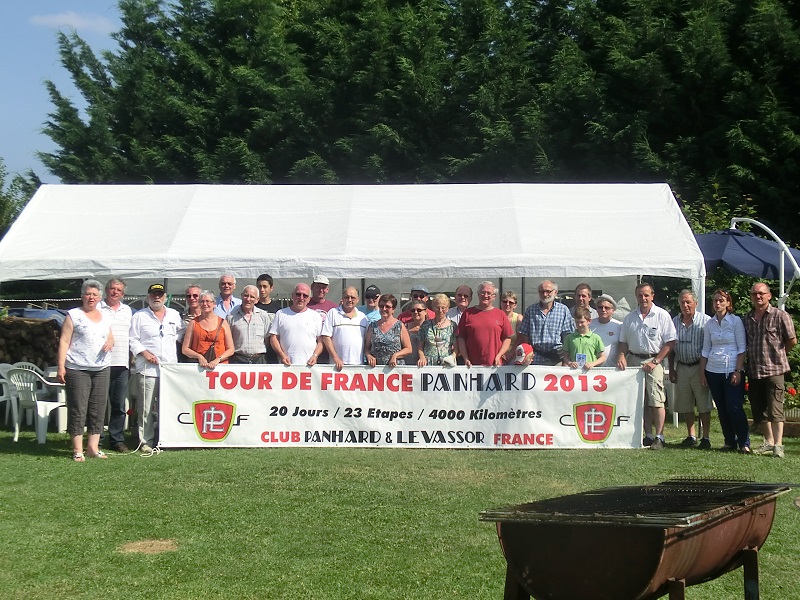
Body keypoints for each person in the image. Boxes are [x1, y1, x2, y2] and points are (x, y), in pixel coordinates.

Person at [57, 279, 114, 461]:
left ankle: (93, 448)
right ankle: (77, 449)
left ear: (100, 297)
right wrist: (61, 366)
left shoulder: (106, 315)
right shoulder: (73, 315)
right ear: (82, 296)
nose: (91, 297)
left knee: (98, 408)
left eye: (95, 294)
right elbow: (64, 340)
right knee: (78, 408)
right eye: (88, 294)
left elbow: (109, 335)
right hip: (77, 368)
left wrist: (111, 340)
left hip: (101, 368)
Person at [617, 282, 676, 450]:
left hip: (654, 360)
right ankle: (647, 435)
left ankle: (659, 436)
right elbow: (623, 342)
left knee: (656, 399)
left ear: (652, 296)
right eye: (640, 295)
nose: (643, 298)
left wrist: (656, 361)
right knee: (640, 400)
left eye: (646, 295)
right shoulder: (630, 317)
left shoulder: (662, 315)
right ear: (636, 297)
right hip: (634, 361)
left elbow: (670, 342)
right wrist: (621, 355)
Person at [129, 283, 185, 453]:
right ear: (148, 297)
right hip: (147, 369)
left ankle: (165, 439)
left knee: (166, 406)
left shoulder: (174, 314)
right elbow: (132, 339)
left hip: (169, 369)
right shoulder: (139, 316)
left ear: (165, 297)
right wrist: (144, 353)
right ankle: (145, 441)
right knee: (146, 408)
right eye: (153, 294)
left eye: (160, 294)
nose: (156, 297)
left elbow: (180, 333)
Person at [744, 282, 797, 458]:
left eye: (761, 293)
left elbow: (792, 340)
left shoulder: (780, 315)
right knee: (759, 410)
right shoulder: (747, 318)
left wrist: (780, 354)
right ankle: (769, 441)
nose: (758, 296)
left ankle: (778, 445)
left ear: (769, 295)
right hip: (755, 370)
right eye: (754, 294)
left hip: (775, 370)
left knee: (776, 409)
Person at [700, 289, 749, 453]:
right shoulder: (709, 324)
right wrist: (702, 373)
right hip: (713, 370)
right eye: (715, 300)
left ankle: (744, 442)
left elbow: (742, 348)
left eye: (721, 300)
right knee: (721, 408)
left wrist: (738, 371)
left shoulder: (736, 321)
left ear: (728, 303)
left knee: (734, 407)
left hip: (731, 369)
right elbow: (705, 350)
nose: (718, 303)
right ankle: (729, 441)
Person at [668, 290, 713, 449]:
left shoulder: (706, 321)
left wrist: (704, 371)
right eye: (682, 302)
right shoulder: (674, 321)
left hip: (699, 367)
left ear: (696, 303)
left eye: (688, 302)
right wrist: (671, 369)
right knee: (685, 404)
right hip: (681, 366)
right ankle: (691, 435)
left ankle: (706, 437)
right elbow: (670, 347)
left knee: (703, 404)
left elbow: (710, 346)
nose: (685, 305)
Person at [99, 277, 133, 452]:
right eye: (112, 288)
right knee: (98, 404)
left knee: (118, 405)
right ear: (106, 290)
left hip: (121, 363)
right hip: (100, 362)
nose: (115, 292)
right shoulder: (98, 307)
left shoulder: (128, 310)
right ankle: (97, 440)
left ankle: (117, 440)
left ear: (123, 294)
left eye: (119, 290)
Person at [517, 280, 575, 365]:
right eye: (542, 291)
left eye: (548, 291)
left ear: (555, 292)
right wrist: (528, 353)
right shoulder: (531, 310)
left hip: (557, 359)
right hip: (535, 358)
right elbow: (524, 334)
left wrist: (566, 360)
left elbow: (568, 336)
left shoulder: (563, 310)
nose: (544, 294)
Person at [457, 281, 513, 367]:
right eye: (483, 292)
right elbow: (461, 338)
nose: (485, 295)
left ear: (494, 297)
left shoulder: (501, 314)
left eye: (489, 293)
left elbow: (507, 338)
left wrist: (499, 355)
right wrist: (465, 358)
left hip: (495, 366)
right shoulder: (468, 313)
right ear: (478, 294)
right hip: (471, 366)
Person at [269, 283, 324, 366]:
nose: (301, 298)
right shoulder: (280, 314)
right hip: (286, 365)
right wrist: (282, 355)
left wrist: (315, 356)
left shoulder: (316, 316)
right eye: (298, 294)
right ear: (292, 296)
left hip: (309, 365)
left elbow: (321, 341)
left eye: (305, 296)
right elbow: (273, 338)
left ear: (309, 299)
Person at [182, 290, 236, 368]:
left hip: (220, 367)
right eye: (202, 301)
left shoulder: (223, 322)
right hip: (199, 366)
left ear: (214, 304)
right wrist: (199, 356)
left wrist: (218, 359)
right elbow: (185, 349)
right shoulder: (193, 323)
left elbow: (231, 349)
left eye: (207, 301)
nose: (205, 304)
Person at [322, 286, 368, 370]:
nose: (349, 300)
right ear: (342, 298)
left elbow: (366, 341)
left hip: (358, 366)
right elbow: (326, 337)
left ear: (357, 299)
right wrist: (335, 358)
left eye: (352, 297)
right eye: (347, 297)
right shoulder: (333, 313)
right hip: (336, 366)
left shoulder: (363, 317)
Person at [227, 285, 273, 364]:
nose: (248, 299)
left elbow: (267, 339)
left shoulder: (263, 315)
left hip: (259, 360)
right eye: (246, 295)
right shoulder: (231, 317)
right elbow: (228, 340)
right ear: (241, 296)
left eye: (252, 297)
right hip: (238, 360)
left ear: (257, 300)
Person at [365, 294, 412, 366]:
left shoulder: (399, 326)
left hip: (395, 368)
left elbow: (408, 349)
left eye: (387, 307)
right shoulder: (372, 326)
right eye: (381, 306)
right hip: (376, 368)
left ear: (393, 309)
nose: (384, 309)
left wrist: (395, 355)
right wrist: (369, 356)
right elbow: (367, 348)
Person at [418, 293, 457, 367]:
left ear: (447, 308)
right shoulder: (425, 325)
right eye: (437, 307)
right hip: (428, 364)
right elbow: (420, 346)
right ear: (433, 307)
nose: (440, 310)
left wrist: (452, 357)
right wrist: (422, 357)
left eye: (443, 308)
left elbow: (456, 347)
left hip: (446, 364)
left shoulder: (453, 326)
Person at [590, 294, 622, 366]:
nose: (603, 310)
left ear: (612, 310)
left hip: (613, 368)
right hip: (592, 368)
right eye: (600, 307)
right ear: (597, 309)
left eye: (606, 308)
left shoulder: (619, 326)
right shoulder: (589, 324)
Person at [178, 284, 202, 362]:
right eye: (188, 296)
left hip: (206, 356)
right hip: (186, 358)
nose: (192, 298)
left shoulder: (209, 316)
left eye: (195, 295)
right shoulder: (180, 317)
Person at [500, 291, 523, 363]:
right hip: (498, 354)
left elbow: (520, 339)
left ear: (515, 305)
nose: (507, 304)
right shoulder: (495, 317)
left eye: (510, 302)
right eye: (505, 301)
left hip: (514, 355)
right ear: (501, 303)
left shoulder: (518, 318)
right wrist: (501, 354)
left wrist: (511, 354)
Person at [405, 300, 428, 364]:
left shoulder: (431, 327)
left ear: (425, 312)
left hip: (426, 363)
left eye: (419, 310)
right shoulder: (405, 326)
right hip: (409, 363)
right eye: (413, 310)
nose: (415, 312)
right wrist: (408, 331)